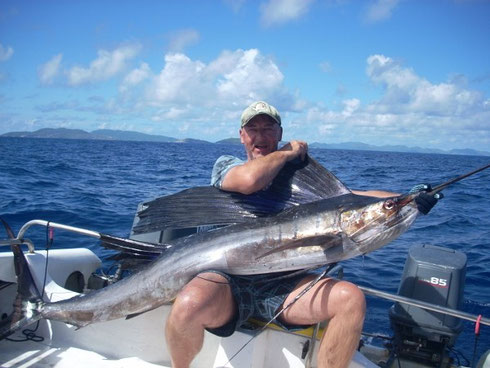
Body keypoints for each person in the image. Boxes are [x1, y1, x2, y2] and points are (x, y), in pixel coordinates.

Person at [165, 101, 440, 368]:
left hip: (285, 286)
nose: (260, 136)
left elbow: (356, 199)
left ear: (279, 133)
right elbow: (249, 181)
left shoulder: (296, 179)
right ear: (242, 136)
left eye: (268, 129)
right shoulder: (228, 165)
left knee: (350, 298)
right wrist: (287, 152)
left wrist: (409, 198)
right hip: (228, 281)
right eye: (253, 129)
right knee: (189, 303)